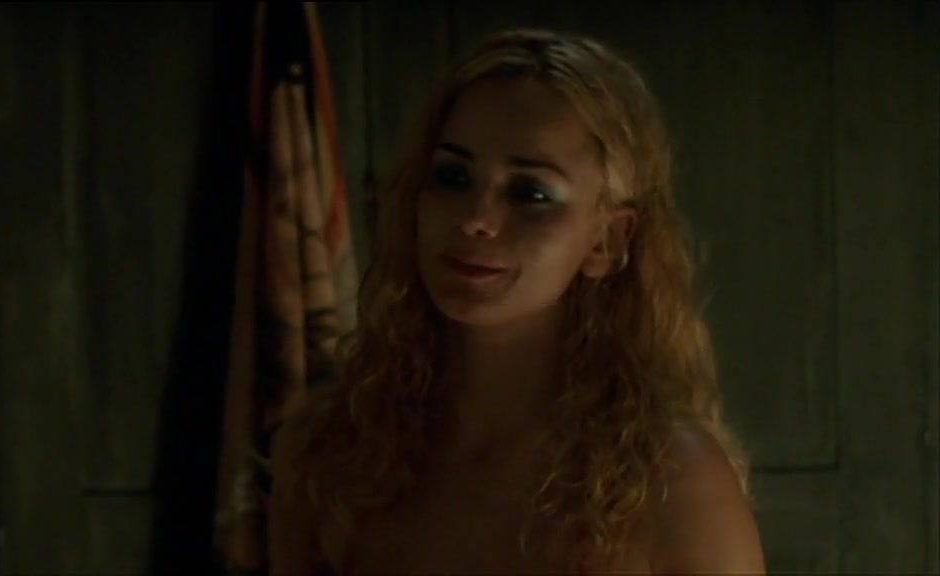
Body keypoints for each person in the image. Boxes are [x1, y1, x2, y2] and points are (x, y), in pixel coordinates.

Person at [268, 28, 765, 574]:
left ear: (606, 240)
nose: (475, 219)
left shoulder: (674, 482)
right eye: (453, 176)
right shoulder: (329, 453)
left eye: (531, 193)